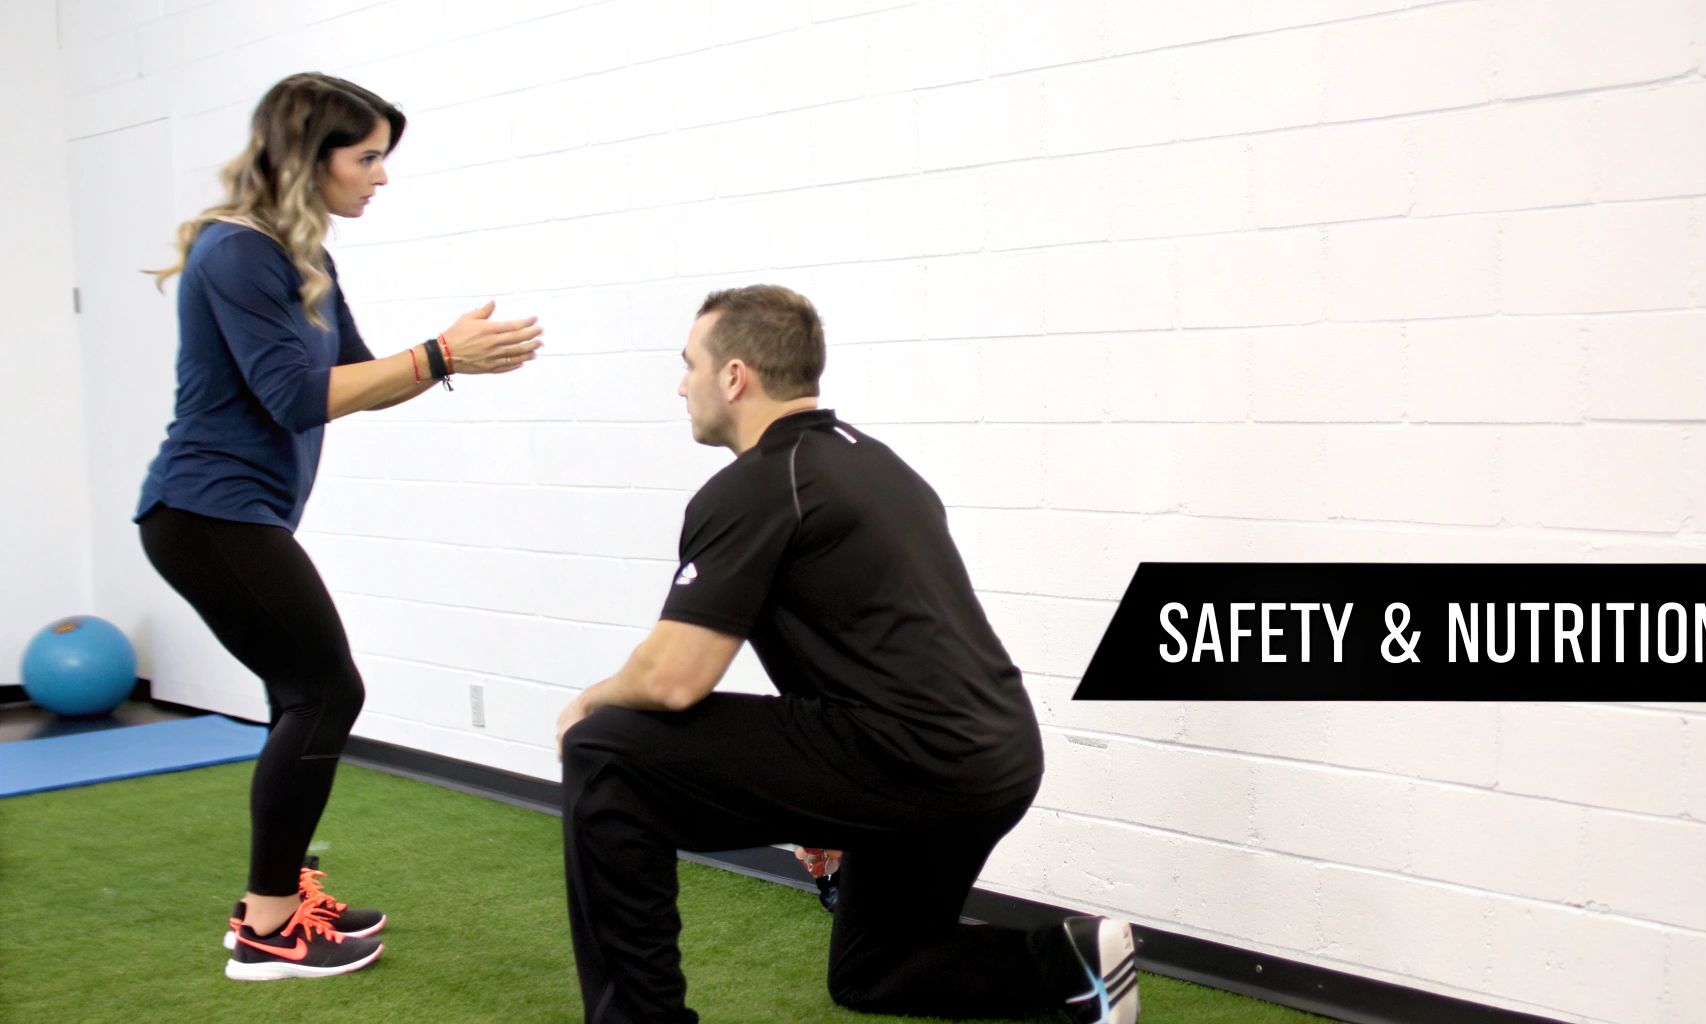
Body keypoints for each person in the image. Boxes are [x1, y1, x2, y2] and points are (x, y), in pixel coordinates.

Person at [555, 285, 1140, 1024]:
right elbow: (875, 650)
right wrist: (824, 794)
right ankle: (1071, 965)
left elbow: (674, 679)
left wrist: (590, 700)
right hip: (993, 757)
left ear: (735, 376)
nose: (682, 384)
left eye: (689, 365)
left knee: (607, 749)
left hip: (916, 756)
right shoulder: (876, 464)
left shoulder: (760, 484)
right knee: (873, 967)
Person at [136, 72, 543, 981]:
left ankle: (277, 896)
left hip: (235, 514)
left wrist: (448, 362)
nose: (382, 177)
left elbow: (355, 378)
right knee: (327, 691)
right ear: (307, 155)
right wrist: (439, 354)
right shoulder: (238, 252)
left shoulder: (304, 255)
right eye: (367, 158)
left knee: (305, 693)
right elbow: (292, 398)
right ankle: (269, 928)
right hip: (204, 511)